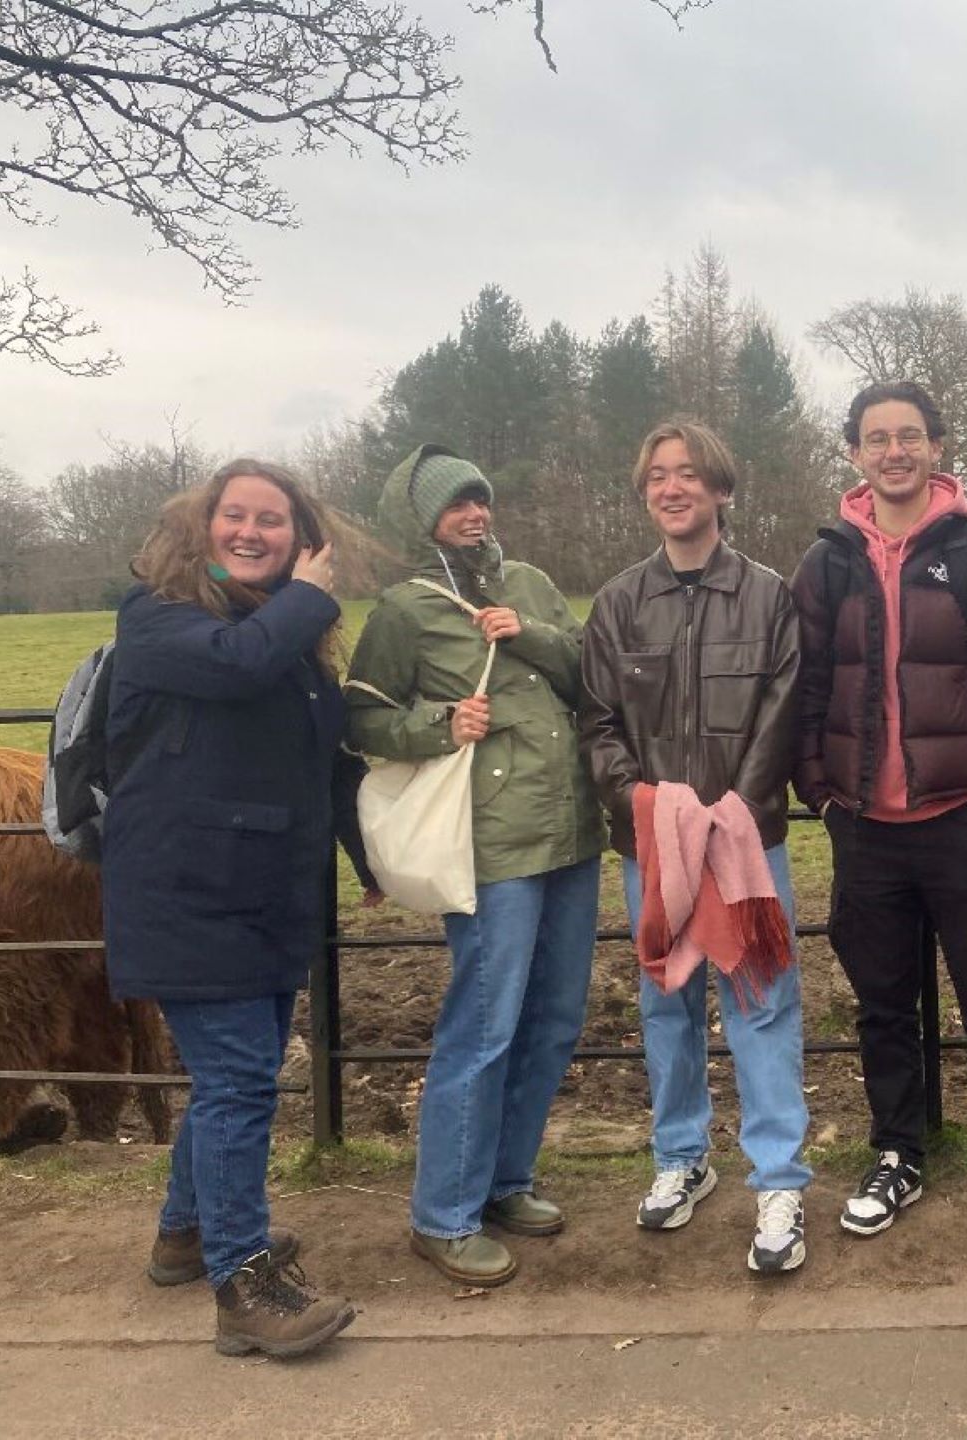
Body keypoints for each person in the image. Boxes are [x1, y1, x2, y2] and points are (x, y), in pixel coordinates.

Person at [790, 380, 967, 1246]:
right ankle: (898, 1152)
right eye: (877, 437)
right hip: (866, 829)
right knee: (881, 1007)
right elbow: (804, 687)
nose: (895, 450)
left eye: (910, 435)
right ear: (855, 453)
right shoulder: (826, 563)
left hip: (963, 824)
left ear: (938, 447)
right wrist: (821, 794)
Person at [104, 460, 363, 1357]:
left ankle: (184, 1235)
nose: (251, 532)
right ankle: (243, 1285)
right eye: (236, 516)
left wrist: (371, 860)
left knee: (231, 1081)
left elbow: (326, 759)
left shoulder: (282, 636)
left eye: (274, 521)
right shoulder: (159, 619)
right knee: (241, 1083)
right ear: (201, 526)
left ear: (300, 536)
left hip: (262, 897)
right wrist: (312, 598)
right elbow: (237, 668)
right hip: (186, 894)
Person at [347, 445, 603, 1289]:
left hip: (570, 833)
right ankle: (443, 1215)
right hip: (489, 848)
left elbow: (587, 679)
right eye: (456, 504)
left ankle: (505, 1182)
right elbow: (363, 722)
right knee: (485, 1029)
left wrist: (525, 631)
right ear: (421, 522)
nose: (474, 514)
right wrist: (440, 723)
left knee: (556, 1018)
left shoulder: (527, 582)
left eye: (480, 499)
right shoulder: (403, 610)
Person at [578, 420, 810, 1275]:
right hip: (653, 848)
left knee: (761, 1000)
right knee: (664, 1004)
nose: (671, 488)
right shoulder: (615, 604)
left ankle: (779, 1178)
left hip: (745, 844)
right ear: (646, 494)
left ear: (720, 488)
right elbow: (596, 725)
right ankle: (681, 1157)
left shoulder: (769, 596)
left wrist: (731, 816)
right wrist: (642, 804)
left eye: (688, 475)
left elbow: (783, 713)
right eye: (657, 477)